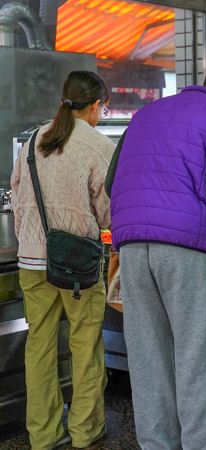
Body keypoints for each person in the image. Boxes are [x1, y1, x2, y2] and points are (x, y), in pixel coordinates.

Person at [105, 62, 206, 450]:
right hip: (188, 248)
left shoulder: (145, 113)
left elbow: (112, 182)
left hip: (132, 247)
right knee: (199, 361)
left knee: (148, 362)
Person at [10, 70, 114, 450]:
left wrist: (32, 242)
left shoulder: (36, 139)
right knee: (85, 347)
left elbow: (18, 193)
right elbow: (107, 214)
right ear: (97, 105)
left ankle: (43, 434)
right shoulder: (99, 146)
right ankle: (86, 432)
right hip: (77, 266)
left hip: (32, 261)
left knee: (39, 347)